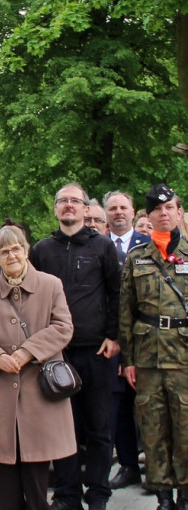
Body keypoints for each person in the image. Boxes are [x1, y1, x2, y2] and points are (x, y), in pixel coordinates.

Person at [0, 227, 76, 510]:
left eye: (16, 249)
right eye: (4, 252)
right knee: (4, 454)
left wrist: (28, 351)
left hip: (37, 382)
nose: (11, 256)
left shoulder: (50, 285)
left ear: (25, 250)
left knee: (37, 455)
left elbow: (63, 326)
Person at [30, 183, 120, 510]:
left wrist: (114, 336)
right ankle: (67, 496)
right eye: (62, 201)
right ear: (55, 209)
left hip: (96, 350)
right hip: (56, 355)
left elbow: (116, 293)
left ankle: (97, 496)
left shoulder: (103, 247)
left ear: (86, 209)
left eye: (75, 201)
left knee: (98, 428)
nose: (69, 206)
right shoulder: (42, 250)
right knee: (63, 428)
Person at [119, 184, 188, 510]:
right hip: (147, 358)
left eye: (170, 208)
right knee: (153, 429)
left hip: (184, 357)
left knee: (186, 429)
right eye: (157, 210)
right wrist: (128, 358)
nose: (164, 214)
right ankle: (163, 501)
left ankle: (185, 501)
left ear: (178, 212)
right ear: (147, 217)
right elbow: (126, 312)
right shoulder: (137, 258)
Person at [104, 190, 150, 489]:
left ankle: (157, 469)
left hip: (148, 342)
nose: (118, 212)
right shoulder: (98, 246)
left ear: (133, 212)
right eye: (113, 208)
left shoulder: (149, 244)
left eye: (123, 207)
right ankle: (129, 465)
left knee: (149, 407)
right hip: (112, 340)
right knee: (120, 408)